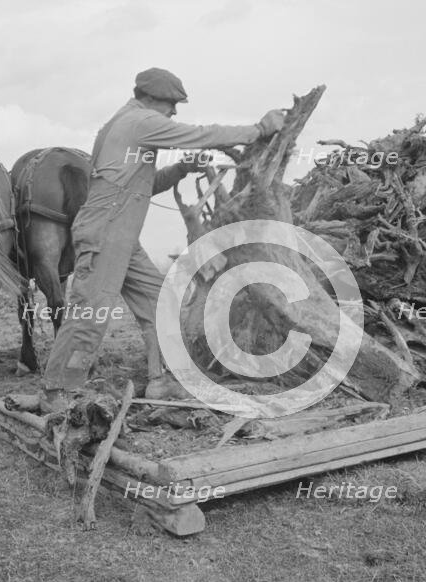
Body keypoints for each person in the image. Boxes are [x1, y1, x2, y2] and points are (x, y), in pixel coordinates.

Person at [41, 67, 285, 409]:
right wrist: (258, 130)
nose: (173, 111)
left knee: (160, 303)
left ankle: (161, 381)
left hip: (120, 234)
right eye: (171, 104)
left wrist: (182, 169)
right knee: (91, 314)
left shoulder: (125, 124)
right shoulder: (139, 122)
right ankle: (58, 391)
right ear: (152, 99)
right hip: (107, 232)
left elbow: (146, 184)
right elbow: (200, 134)